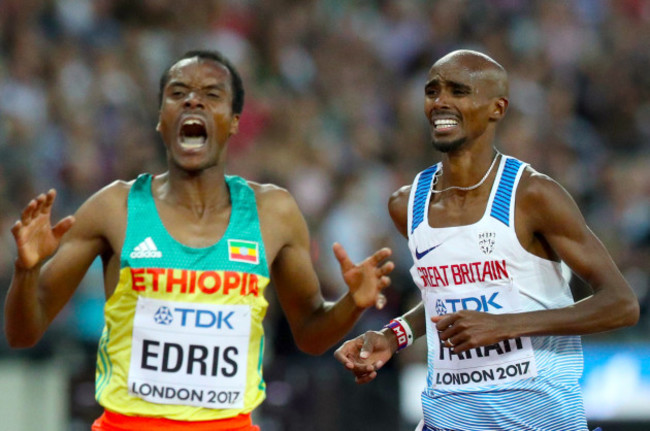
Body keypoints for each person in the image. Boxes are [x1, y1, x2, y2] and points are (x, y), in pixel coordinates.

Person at [3, 49, 394, 431]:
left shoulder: (272, 213)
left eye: (211, 94)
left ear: (235, 121)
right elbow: (23, 334)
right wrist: (26, 270)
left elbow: (309, 334)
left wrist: (352, 304)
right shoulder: (114, 208)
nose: (193, 100)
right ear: (161, 119)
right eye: (178, 93)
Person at [334, 49, 639, 431]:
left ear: (497, 107)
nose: (440, 101)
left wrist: (506, 325)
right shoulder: (405, 205)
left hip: (540, 419)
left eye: (458, 91)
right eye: (432, 91)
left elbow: (622, 304)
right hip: (447, 418)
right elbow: (442, 299)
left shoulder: (533, 196)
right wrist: (395, 336)